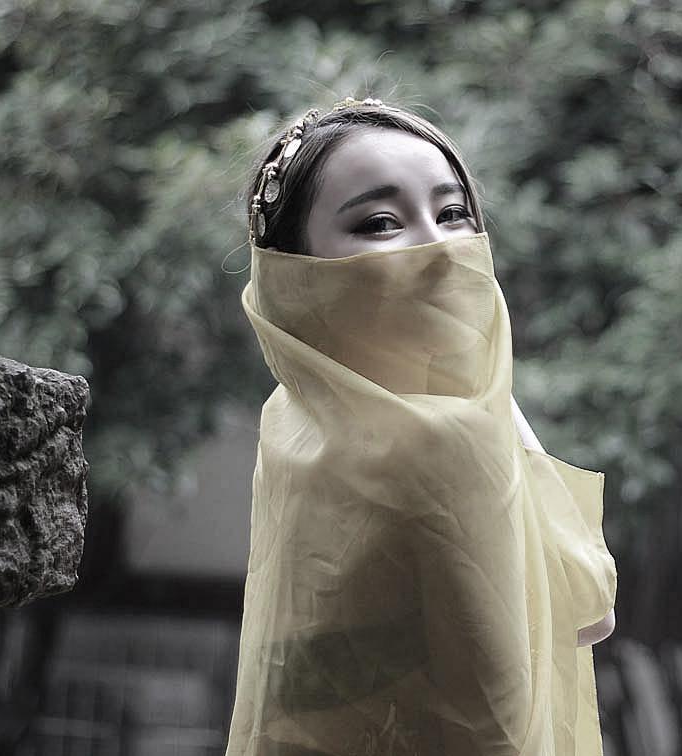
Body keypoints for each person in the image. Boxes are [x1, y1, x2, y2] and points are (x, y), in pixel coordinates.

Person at [226, 97, 618, 756]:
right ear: (294, 268)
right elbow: (587, 609)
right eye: (380, 223)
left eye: (453, 213)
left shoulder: (292, 420)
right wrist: (483, 388)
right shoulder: (444, 443)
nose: (438, 247)